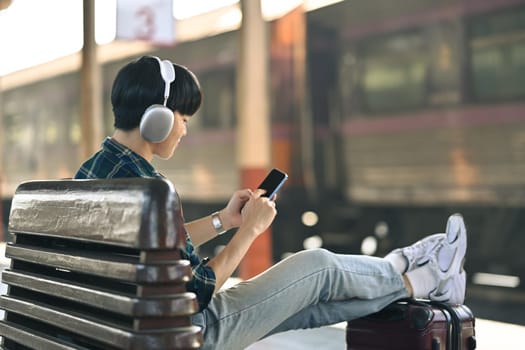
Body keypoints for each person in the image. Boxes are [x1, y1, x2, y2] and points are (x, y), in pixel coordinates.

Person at [75, 56, 468, 350]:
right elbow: (199, 291)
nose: (184, 128)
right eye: (182, 116)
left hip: (129, 325)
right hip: (188, 331)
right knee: (318, 268)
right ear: (157, 119)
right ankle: (405, 268)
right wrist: (248, 232)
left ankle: (417, 279)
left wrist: (222, 221)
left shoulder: (95, 171)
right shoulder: (150, 187)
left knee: (306, 304)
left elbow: (156, 243)